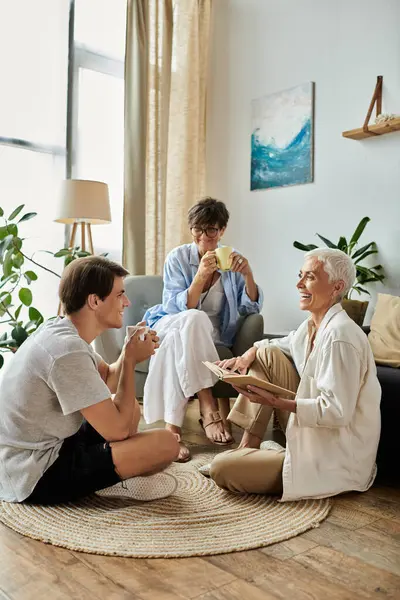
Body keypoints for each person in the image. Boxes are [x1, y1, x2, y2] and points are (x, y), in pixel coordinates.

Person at [0, 256, 179, 504]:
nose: (126, 303)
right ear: (95, 301)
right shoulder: (67, 349)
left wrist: (129, 351)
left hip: (44, 447)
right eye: (120, 295)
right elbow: (118, 431)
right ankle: (114, 472)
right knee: (166, 444)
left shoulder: (61, 331)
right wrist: (128, 362)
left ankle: (114, 466)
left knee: (129, 411)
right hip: (33, 471)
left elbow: (106, 378)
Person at [210, 248, 381, 501]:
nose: (299, 284)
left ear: (337, 287)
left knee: (221, 469)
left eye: (309, 277)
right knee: (265, 353)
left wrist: (274, 402)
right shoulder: (313, 325)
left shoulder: (341, 337)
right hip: (315, 437)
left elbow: (336, 412)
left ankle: (254, 458)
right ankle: (249, 446)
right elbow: (280, 344)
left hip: (334, 459)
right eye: (300, 275)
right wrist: (246, 355)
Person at [143, 197, 263, 462]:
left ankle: (171, 431)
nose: (204, 236)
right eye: (198, 229)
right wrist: (199, 277)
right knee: (193, 318)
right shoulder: (178, 257)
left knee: (181, 339)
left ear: (221, 231)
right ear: (191, 230)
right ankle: (207, 405)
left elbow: (250, 309)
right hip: (170, 321)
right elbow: (174, 306)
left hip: (208, 335)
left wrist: (248, 275)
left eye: (211, 230)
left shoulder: (231, 264)